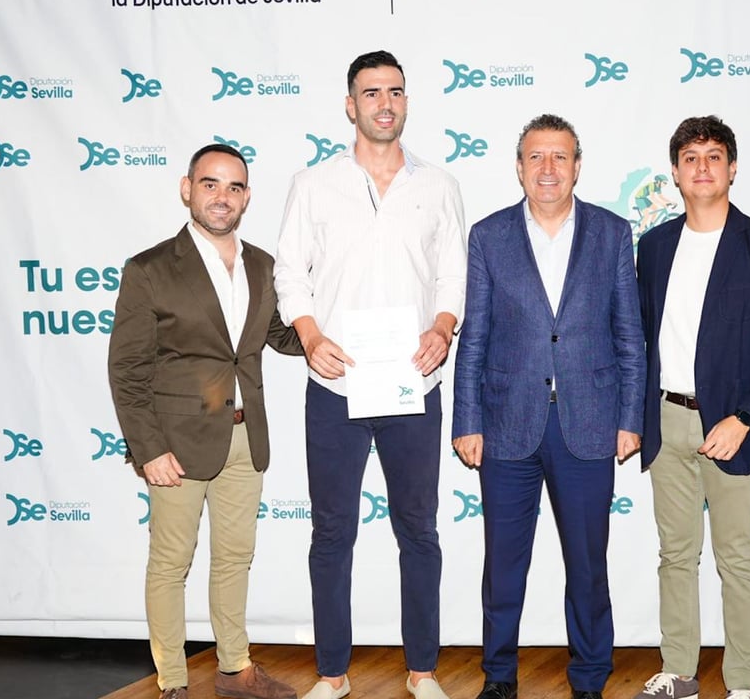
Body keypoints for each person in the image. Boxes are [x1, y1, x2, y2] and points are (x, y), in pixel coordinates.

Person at [273, 50, 466, 699]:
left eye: (396, 91)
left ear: (406, 102)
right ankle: (332, 675)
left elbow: (454, 276)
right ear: (350, 105)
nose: (385, 103)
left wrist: (443, 327)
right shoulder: (313, 183)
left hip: (414, 385)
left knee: (419, 532)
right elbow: (289, 272)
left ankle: (422, 671)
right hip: (335, 387)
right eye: (372, 92)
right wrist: (309, 335)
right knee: (332, 533)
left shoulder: (438, 186)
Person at [452, 114, 646, 699]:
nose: (548, 168)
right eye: (536, 156)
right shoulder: (489, 236)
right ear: (519, 168)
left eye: (560, 156)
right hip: (506, 424)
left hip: (589, 424)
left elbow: (629, 335)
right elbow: (474, 337)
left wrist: (630, 418)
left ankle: (589, 678)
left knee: (587, 566)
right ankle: (499, 677)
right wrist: (467, 420)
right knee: (503, 566)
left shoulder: (612, 233)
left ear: (577, 166)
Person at [109, 143, 304, 699]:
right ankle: (172, 682)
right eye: (210, 184)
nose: (223, 197)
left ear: (247, 197)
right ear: (186, 189)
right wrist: (148, 448)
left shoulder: (263, 265)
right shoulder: (149, 269)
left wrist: (335, 326)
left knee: (235, 559)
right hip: (176, 444)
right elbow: (127, 370)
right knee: (171, 563)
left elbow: (280, 336)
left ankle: (234, 669)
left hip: (246, 436)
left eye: (234, 187)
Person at [631, 116, 750, 699]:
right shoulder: (655, 247)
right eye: (690, 157)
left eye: (713, 156)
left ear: (732, 168)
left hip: (736, 426)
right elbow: (638, 336)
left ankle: (741, 687)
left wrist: (747, 417)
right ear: (676, 172)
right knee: (675, 556)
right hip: (666, 421)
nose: (702, 167)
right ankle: (679, 673)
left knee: (737, 559)